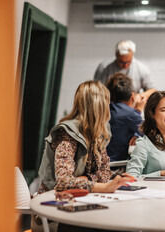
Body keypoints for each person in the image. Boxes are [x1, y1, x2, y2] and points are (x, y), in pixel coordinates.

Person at [34, 81, 134, 232]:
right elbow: (63, 182)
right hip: (56, 212)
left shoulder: (97, 133)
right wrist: (102, 186)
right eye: (107, 102)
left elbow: (105, 172)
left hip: (81, 204)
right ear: (98, 106)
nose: (109, 108)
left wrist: (87, 178)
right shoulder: (67, 134)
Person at [106, 72, 145, 162]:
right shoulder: (130, 114)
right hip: (116, 165)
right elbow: (152, 134)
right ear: (132, 96)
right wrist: (138, 111)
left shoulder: (105, 109)